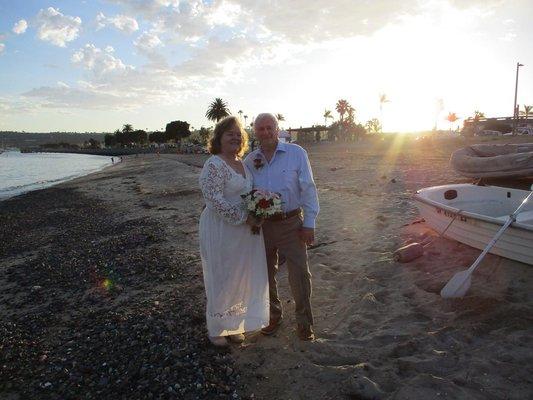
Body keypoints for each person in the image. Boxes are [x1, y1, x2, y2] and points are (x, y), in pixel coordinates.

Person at [244, 113, 319, 341]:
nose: (265, 132)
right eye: (260, 129)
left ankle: (304, 323)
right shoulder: (250, 160)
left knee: (299, 275)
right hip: (263, 226)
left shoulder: (296, 154)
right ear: (254, 132)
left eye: (269, 128)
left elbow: (308, 188)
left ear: (277, 129)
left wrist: (309, 223)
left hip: (291, 224)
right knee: (265, 275)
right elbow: (245, 192)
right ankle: (273, 316)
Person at [198, 116, 269, 347]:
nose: (235, 137)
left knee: (240, 275)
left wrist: (258, 211)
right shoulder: (214, 164)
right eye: (230, 133)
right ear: (218, 138)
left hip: (244, 231)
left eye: (239, 134)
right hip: (221, 227)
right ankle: (217, 327)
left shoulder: (243, 164)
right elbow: (213, 199)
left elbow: (249, 195)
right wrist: (242, 217)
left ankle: (233, 324)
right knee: (222, 274)